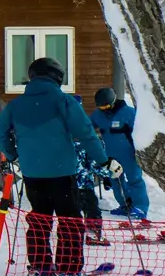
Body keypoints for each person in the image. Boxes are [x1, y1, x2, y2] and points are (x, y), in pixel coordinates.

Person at [0, 58, 122, 276]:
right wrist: (104, 161)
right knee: (69, 220)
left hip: (32, 173)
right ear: (56, 76)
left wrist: (14, 153)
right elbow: (86, 134)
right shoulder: (64, 101)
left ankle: (40, 266)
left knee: (39, 218)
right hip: (62, 172)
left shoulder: (16, 105)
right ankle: (69, 268)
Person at [90, 87, 150, 219]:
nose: (104, 109)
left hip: (129, 154)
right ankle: (125, 205)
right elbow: (87, 128)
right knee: (116, 180)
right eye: (101, 107)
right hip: (110, 155)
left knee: (135, 179)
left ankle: (140, 207)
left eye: (106, 106)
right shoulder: (97, 115)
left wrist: (139, 151)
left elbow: (140, 133)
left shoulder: (129, 113)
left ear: (113, 102)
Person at [71, 95, 112, 246]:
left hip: (64, 181)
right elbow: (96, 160)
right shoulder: (86, 132)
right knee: (91, 207)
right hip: (84, 182)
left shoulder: (59, 130)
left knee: (70, 209)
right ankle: (93, 232)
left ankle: (71, 233)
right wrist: (106, 176)